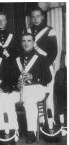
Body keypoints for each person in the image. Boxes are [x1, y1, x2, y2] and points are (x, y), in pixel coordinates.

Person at [8, 33, 52, 143]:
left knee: (29, 102)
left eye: (29, 40)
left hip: (37, 88)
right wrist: (16, 83)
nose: (26, 43)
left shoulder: (42, 58)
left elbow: (48, 78)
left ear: (33, 42)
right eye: (23, 41)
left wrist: (33, 77)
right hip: (21, 89)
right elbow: (11, 76)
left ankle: (31, 132)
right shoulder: (17, 59)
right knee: (7, 100)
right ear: (21, 43)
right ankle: (14, 129)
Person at [26, 7, 58, 135]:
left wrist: (44, 65)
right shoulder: (27, 31)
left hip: (46, 66)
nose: (35, 19)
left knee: (48, 95)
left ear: (43, 17)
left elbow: (53, 52)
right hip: (33, 68)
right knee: (36, 93)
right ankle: (39, 121)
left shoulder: (50, 31)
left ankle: (50, 122)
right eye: (33, 16)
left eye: (38, 16)